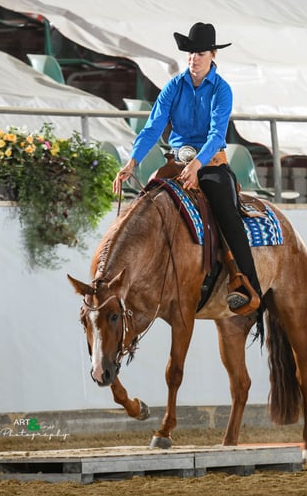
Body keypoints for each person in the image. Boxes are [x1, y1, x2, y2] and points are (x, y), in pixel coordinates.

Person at [112, 22, 262, 314]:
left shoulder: (221, 90)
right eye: (191, 53)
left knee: (227, 213)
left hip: (209, 163)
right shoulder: (174, 85)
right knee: (147, 202)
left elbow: (218, 134)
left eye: (200, 53)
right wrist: (133, 162)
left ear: (213, 55)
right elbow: (154, 125)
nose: (194, 58)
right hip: (175, 161)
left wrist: (197, 164)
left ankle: (248, 285)